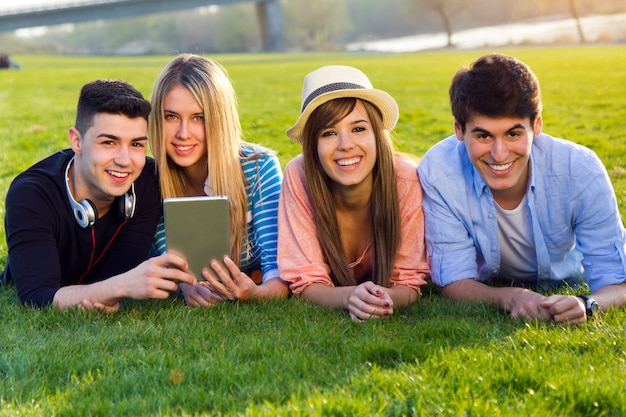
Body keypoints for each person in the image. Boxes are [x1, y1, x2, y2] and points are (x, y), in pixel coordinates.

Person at [418, 53, 626, 324]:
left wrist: (587, 303)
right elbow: (453, 280)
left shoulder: (580, 169)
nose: (499, 153)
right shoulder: (438, 171)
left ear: (536, 125)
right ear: (459, 130)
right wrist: (510, 297)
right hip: (490, 280)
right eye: (483, 136)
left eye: (513, 134)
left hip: (568, 276)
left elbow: (617, 279)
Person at [1, 79, 197, 311]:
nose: (125, 161)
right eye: (108, 142)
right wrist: (115, 289)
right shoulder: (31, 194)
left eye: (136, 144)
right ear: (77, 141)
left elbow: (117, 273)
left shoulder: (148, 182)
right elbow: (37, 297)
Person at [278, 65, 430, 321]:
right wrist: (351, 297)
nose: (345, 145)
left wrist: (379, 300)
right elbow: (305, 281)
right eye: (329, 133)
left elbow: (409, 280)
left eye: (358, 129)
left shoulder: (404, 178)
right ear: (313, 145)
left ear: (377, 134)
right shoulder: (299, 175)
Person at [149, 53, 288, 305]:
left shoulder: (259, 168)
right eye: (171, 116)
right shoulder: (151, 181)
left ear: (218, 119)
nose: (183, 133)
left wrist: (253, 293)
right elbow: (172, 267)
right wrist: (186, 287)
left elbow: (278, 277)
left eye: (198, 118)